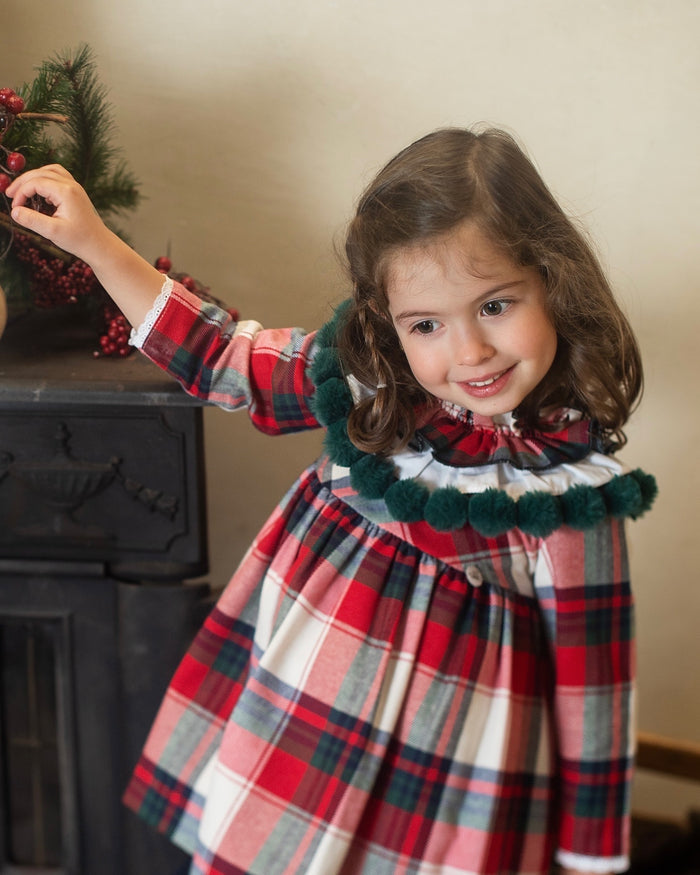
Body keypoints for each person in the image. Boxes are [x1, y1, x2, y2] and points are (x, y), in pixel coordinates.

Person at [7, 127, 656, 875]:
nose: (470, 352)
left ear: (552, 279)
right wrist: (96, 246)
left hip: (441, 784)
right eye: (427, 324)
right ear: (388, 322)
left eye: (497, 305)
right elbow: (227, 357)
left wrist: (590, 860)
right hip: (300, 722)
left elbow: (595, 683)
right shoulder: (371, 382)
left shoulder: (570, 493)